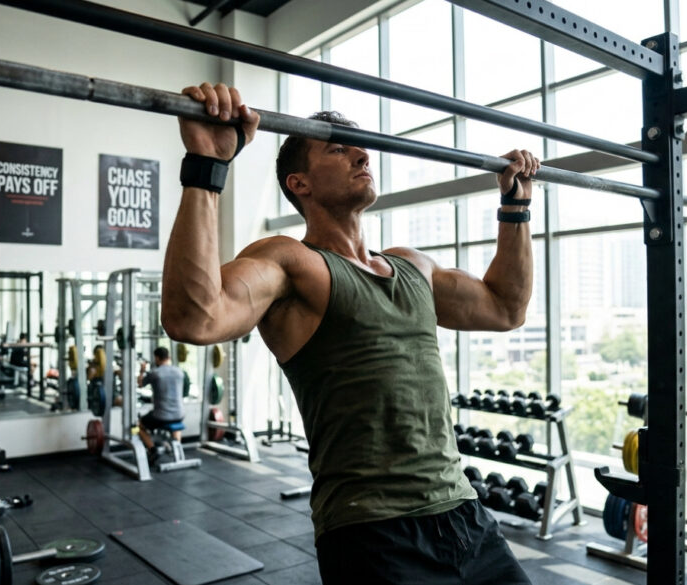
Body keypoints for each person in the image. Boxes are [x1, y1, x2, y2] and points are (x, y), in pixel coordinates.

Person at [160, 82, 537, 584]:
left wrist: (516, 209)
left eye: (360, 147)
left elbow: (506, 308)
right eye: (338, 148)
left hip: (465, 514)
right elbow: (194, 317)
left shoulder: (412, 267)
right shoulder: (291, 261)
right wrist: (207, 166)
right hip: (373, 533)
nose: (362, 154)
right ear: (300, 183)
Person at [136, 346, 189, 464]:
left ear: (157, 358)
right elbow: (185, 392)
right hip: (180, 414)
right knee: (174, 420)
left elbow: (139, 384)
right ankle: (177, 447)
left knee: (138, 425)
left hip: (161, 416)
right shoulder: (180, 372)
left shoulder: (155, 373)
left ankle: (152, 449)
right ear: (168, 357)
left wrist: (142, 371)